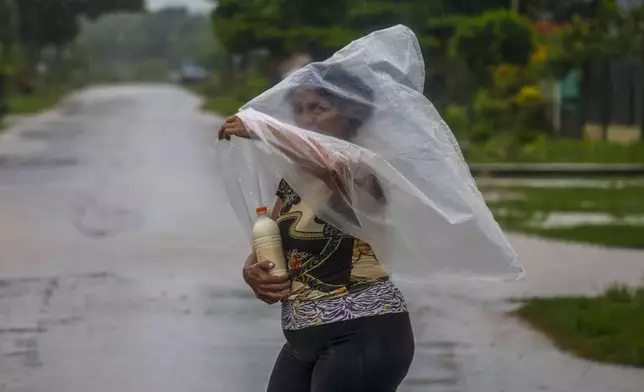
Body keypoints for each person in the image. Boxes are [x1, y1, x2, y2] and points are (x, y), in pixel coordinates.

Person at [218, 64, 415, 392]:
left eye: (318, 109)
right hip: (302, 339)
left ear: (349, 113)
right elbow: (272, 247)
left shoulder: (362, 167)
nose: (305, 120)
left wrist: (266, 131)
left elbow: (333, 167)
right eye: (298, 110)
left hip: (364, 333)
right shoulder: (294, 178)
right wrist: (253, 272)